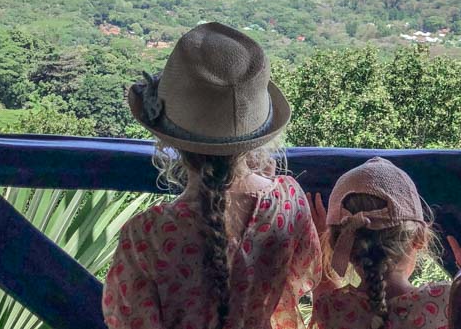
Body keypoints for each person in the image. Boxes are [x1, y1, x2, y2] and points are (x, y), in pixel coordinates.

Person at [102, 22, 321, 329]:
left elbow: (126, 321)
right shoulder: (289, 201)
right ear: (258, 139)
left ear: (166, 140)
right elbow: (302, 275)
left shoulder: (147, 236)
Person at [309, 157, 461, 329]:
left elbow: (322, 290)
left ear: (335, 244)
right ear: (420, 238)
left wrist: (319, 246)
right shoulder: (447, 303)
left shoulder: (332, 309)